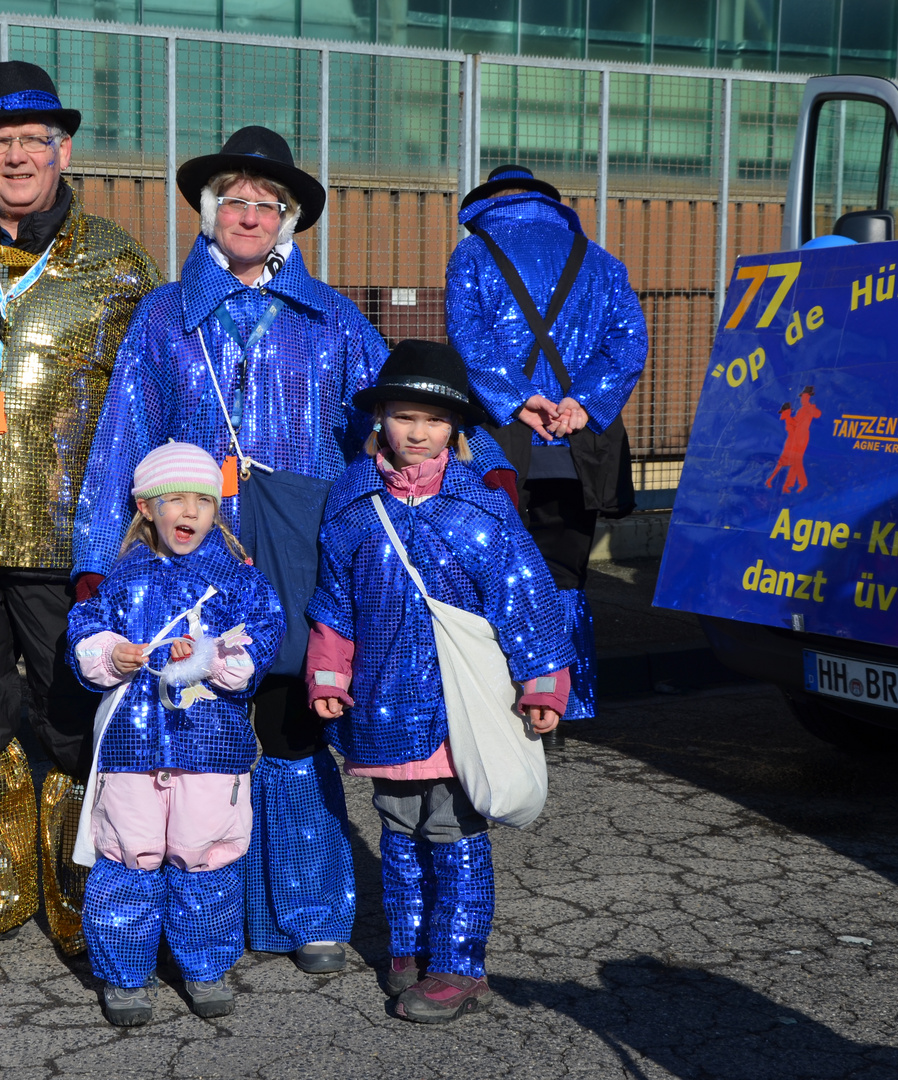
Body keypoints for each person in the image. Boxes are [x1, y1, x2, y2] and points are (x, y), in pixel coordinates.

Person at [74, 125, 376, 974]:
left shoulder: (334, 320)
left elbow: (387, 424)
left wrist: (478, 470)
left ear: (288, 221)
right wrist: (97, 562)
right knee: (200, 729)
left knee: (287, 724)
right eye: (234, 199)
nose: (250, 214)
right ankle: (213, 913)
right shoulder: (163, 315)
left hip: (294, 544)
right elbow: (120, 438)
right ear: (208, 214)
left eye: (266, 203)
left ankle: (310, 910)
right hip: (183, 559)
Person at [0, 60, 162, 965]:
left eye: (32, 141)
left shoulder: (118, 263)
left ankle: (84, 896)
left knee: (72, 716)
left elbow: (150, 398)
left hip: (68, 537)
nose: (16, 156)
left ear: (62, 151)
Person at [306, 340, 573, 1023]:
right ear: (380, 420)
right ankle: (407, 946)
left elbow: (527, 600)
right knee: (397, 832)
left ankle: (457, 962)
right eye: (403, 416)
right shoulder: (351, 506)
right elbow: (334, 601)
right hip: (384, 703)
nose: (417, 432)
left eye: (432, 419)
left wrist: (543, 686)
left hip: (460, 710)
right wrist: (330, 676)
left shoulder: (482, 513)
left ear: (456, 429)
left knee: (453, 833)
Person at [68, 442, 284, 1026]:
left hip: (210, 746)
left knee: (205, 855)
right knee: (128, 856)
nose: (189, 512)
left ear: (217, 509)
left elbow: (263, 632)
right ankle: (125, 973)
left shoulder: (237, 580)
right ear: (145, 507)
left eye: (203, 501)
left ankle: (205, 966)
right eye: (175, 500)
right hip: (133, 746)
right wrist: (116, 654)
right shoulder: (119, 578)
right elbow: (84, 632)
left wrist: (210, 659)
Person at [445, 164, 648, 744]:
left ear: (488, 200)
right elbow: (628, 343)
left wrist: (519, 397)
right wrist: (583, 403)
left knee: (491, 569)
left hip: (500, 438)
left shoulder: (474, 253)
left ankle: (499, 699)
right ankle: (567, 701)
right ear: (549, 203)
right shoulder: (602, 262)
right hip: (577, 445)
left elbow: (470, 340)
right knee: (565, 574)